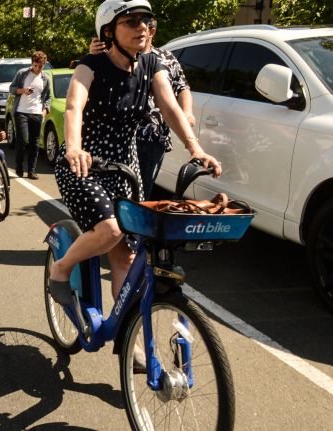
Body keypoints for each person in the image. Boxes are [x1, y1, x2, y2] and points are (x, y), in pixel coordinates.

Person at [48, 0, 222, 305]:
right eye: (131, 21)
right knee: (110, 231)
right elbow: (74, 107)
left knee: (126, 257)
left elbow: (170, 107)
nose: (141, 26)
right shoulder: (90, 66)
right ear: (108, 31)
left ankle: (130, 340)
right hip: (85, 165)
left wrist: (195, 148)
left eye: (146, 20)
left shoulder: (152, 65)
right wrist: (74, 147)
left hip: (127, 169)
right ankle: (61, 270)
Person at [88, 17, 195, 199]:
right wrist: (93, 56)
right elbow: (86, 92)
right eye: (133, 24)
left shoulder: (165, 58)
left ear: (152, 32)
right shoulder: (111, 54)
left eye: (146, 27)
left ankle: (130, 223)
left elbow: (182, 88)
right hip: (116, 136)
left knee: (140, 192)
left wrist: (187, 112)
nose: (141, 30)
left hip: (152, 135)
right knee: (106, 191)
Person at [9, 51, 51, 179]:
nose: (37, 69)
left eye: (40, 66)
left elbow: (48, 98)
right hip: (21, 111)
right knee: (23, 140)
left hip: (37, 113)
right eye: (35, 65)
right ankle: (19, 166)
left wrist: (44, 112)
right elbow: (11, 88)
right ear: (32, 63)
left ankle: (32, 170)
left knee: (35, 143)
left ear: (44, 65)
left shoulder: (45, 79)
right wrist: (23, 90)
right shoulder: (22, 73)